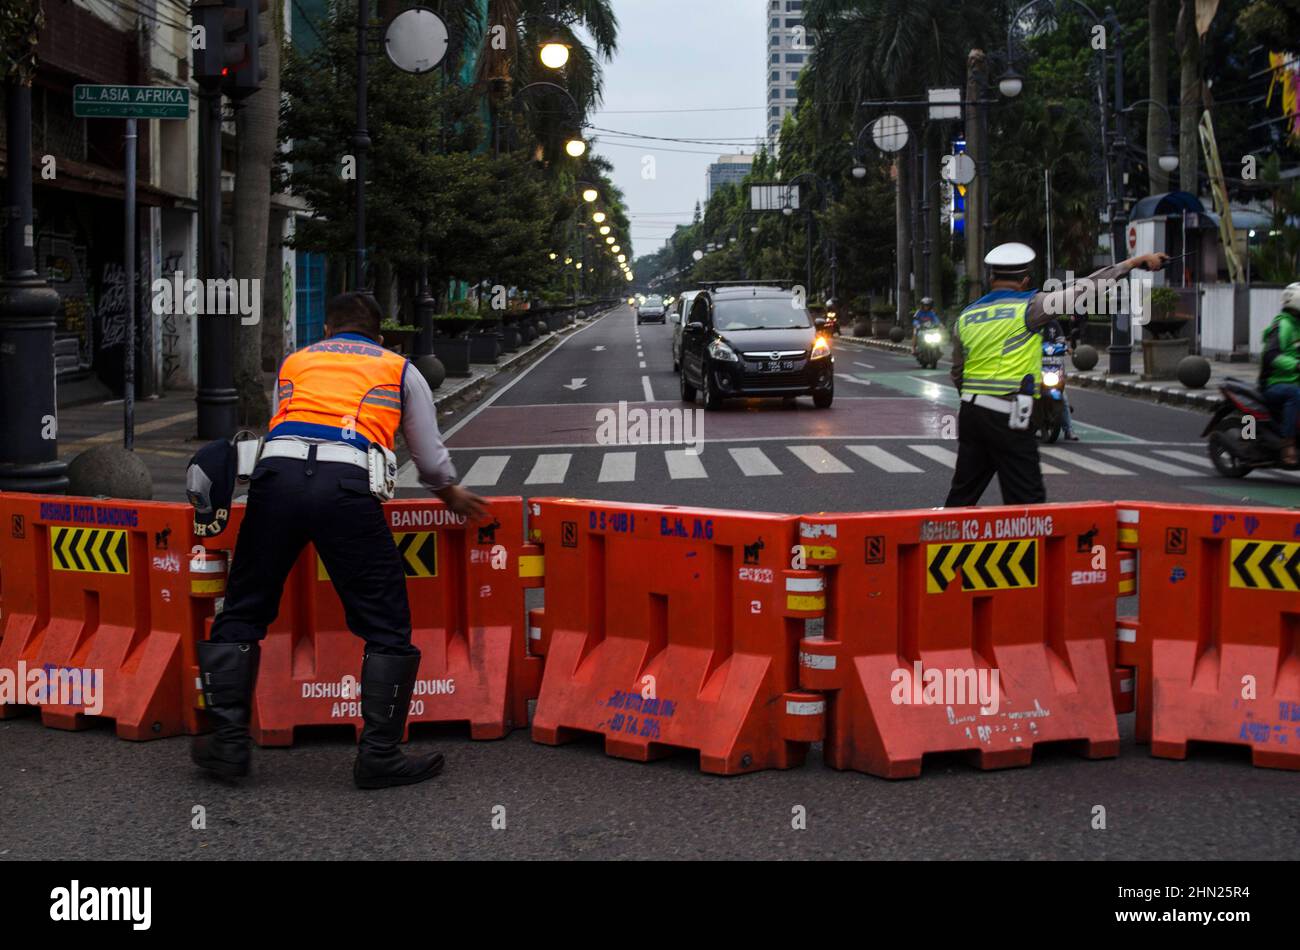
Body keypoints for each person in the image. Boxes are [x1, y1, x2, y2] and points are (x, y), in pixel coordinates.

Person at [190, 292, 488, 789]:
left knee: (243, 608)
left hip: (275, 481)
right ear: (378, 335)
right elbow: (430, 456)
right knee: (384, 620)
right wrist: (449, 492)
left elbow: (281, 425)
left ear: (327, 330)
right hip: (346, 489)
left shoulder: (296, 361)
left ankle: (227, 743)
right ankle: (379, 755)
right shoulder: (398, 368)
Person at [945, 243, 1168, 507]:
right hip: (1011, 415)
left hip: (971, 413)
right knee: (1027, 502)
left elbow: (957, 372)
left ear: (991, 278)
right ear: (1026, 280)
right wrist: (1133, 262)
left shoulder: (967, 316)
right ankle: (1027, 548)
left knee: (962, 497)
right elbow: (1084, 288)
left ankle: (938, 544)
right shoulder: (1031, 306)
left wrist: (975, 400)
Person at [1260, 282, 1300, 467]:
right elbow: (1270, 355)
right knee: (1295, 394)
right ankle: (1288, 443)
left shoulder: (1297, 326)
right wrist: (1296, 365)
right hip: (1275, 383)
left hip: (1293, 380)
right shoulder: (1282, 325)